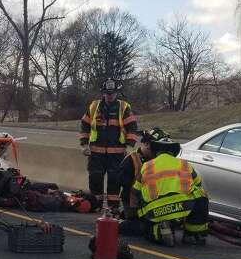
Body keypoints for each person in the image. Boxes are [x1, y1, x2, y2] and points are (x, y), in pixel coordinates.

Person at [131, 136, 209, 246]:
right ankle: (193, 234)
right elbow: (198, 184)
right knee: (201, 193)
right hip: (182, 206)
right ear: (173, 152)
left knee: (147, 230)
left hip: (154, 211)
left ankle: (158, 230)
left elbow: (135, 190)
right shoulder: (184, 164)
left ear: (156, 152)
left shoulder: (147, 166)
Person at [79, 79, 139, 213]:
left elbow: (132, 128)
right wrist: (84, 145)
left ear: (117, 93)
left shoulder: (124, 108)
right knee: (95, 178)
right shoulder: (94, 106)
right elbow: (85, 125)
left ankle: (113, 207)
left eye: (112, 93)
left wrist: (129, 146)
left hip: (117, 153)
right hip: (95, 153)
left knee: (114, 180)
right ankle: (95, 204)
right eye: (107, 93)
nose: (110, 95)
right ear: (103, 93)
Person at [119, 127, 171, 218]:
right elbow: (125, 184)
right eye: (158, 147)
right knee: (138, 227)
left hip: (156, 202)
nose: (161, 151)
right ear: (147, 144)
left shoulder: (160, 160)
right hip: (133, 203)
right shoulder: (132, 160)